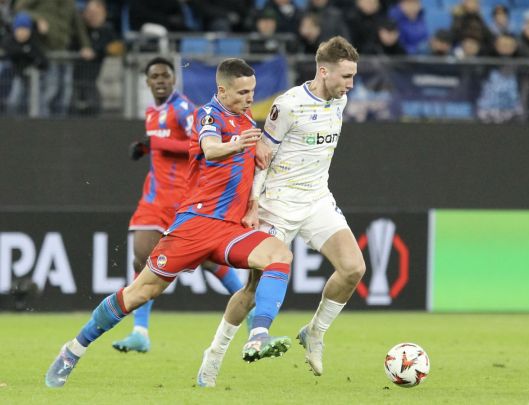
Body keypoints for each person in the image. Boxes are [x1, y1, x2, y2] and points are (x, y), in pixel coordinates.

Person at [45, 58, 294, 388]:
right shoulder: (208, 114)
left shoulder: (246, 120)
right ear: (222, 90)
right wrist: (237, 145)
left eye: (252, 91)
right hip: (195, 225)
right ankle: (73, 350)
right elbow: (210, 149)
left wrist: (252, 203)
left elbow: (249, 170)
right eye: (242, 92)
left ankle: (259, 334)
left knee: (279, 255)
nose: (250, 98)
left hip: (229, 229)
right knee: (140, 292)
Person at [197, 36, 366, 387]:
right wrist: (253, 204)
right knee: (252, 290)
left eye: (353, 76)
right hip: (276, 205)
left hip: (317, 200)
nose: (351, 84)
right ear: (324, 72)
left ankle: (314, 332)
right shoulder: (288, 105)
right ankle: (213, 356)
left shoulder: (340, 100)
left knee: (353, 268)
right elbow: (262, 156)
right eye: (346, 76)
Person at [110, 56, 246, 354]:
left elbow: (198, 144)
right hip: (155, 199)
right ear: (147, 82)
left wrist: (155, 144)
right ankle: (140, 332)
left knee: (209, 261)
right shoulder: (151, 112)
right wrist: (145, 147)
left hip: (184, 198)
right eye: (155, 76)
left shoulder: (184, 109)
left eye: (165, 76)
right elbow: (162, 145)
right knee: (141, 258)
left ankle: (251, 310)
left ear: (173, 80)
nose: (160, 80)